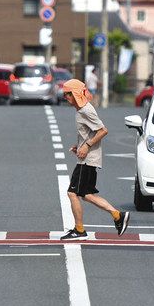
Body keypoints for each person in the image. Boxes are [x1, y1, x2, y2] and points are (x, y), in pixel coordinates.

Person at [60, 79, 130, 240]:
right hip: (88, 158)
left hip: (88, 160)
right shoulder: (81, 110)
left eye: (68, 94)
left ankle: (79, 230)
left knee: (72, 193)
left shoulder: (85, 110)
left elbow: (103, 130)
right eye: (64, 94)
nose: (65, 97)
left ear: (76, 94)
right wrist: (80, 146)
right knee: (86, 195)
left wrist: (86, 146)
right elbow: (90, 133)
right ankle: (118, 215)